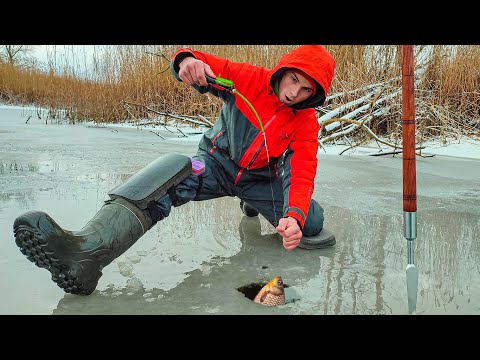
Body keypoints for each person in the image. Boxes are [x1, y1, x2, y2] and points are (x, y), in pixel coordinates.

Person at [13, 45, 337, 296]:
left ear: (314, 95)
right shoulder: (249, 78)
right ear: (284, 70)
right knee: (168, 176)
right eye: (294, 80)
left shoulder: (305, 123)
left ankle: (254, 204)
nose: (294, 92)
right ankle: (86, 250)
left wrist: (293, 215)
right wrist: (187, 62)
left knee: (311, 222)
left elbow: (302, 169)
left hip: (259, 181)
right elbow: (199, 59)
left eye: (306, 89)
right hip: (215, 165)